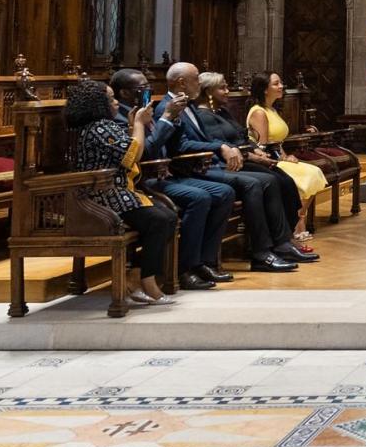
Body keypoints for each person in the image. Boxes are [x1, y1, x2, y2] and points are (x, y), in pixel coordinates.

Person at [153, 62, 307, 273]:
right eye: (196, 78)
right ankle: (260, 252)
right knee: (254, 184)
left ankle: (280, 244)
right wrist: (221, 146)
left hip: (209, 163)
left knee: (270, 180)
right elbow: (180, 146)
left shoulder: (185, 104)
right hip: (194, 168)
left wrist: (230, 148)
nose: (199, 82)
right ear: (181, 82)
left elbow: (205, 138)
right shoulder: (169, 108)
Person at [108, 69, 233, 290]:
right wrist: (166, 117)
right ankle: (184, 268)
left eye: (149, 88)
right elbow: (145, 154)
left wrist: (172, 118)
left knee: (224, 193)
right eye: (142, 89)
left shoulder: (142, 111)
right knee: (199, 198)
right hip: (144, 180)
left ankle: (203, 260)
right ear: (125, 93)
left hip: (165, 173)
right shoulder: (121, 119)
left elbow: (167, 145)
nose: (147, 92)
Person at [68, 78, 177, 306]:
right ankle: (146, 282)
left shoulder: (102, 125)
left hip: (117, 191)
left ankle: (136, 277)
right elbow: (133, 154)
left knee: (166, 215)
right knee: (159, 219)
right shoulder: (99, 127)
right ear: (97, 104)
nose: (116, 102)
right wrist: (138, 123)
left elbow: (122, 152)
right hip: (102, 196)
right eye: (110, 99)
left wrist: (131, 126)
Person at [194, 72, 318, 261]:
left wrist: (256, 150)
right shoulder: (204, 116)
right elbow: (222, 145)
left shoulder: (221, 112)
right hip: (229, 164)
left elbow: (242, 137)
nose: (228, 92)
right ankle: (276, 244)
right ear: (208, 92)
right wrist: (253, 155)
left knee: (285, 181)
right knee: (273, 180)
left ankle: (284, 239)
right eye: (223, 88)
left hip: (246, 157)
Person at [246, 72, 329, 241]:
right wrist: (282, 159)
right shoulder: (259, 112)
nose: (281, 86)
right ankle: (296, 224)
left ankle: (296, 220)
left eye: (281, 83)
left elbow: (278, 143)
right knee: (308, 174)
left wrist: (287, 156)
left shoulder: (272, 109)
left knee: (315, 173)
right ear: (264, 89)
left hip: (278, 157)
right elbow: (263, 146)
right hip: (266, 162)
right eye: (276, 84)